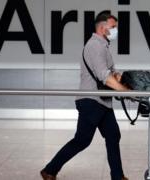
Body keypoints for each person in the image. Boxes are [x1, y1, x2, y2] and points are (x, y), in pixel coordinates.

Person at [40, 13, 129, 180]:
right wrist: (125, 92)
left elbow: (111, 73)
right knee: (82, 140)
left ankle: (118, 176)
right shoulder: (94, 46)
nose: (116, 30)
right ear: (103, 28)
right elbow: (104, 76)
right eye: (113, 27)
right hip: (91, 101)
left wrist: (123, 80)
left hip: (103, 102)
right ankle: (49, 170)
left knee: (113, 136)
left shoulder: (104, 47)